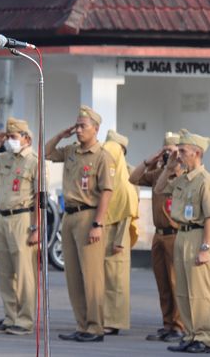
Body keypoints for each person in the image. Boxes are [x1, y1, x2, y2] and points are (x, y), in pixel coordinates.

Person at [45, 105, 114, 343]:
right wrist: (61, 135)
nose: (78, 130)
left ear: (96, 129)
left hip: (88, 216)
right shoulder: (71, 151)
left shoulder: (103, 156)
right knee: (73, 275)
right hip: (70, 216)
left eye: (83, 126)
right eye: (76, 125)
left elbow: (106, 192)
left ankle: (95, 327)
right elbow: (45, 152)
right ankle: (82, 325)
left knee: (92, 276)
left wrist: (98, 223)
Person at [0, 117, 39, 336]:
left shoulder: (34, 161)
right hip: (2, 217)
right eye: (8, 137)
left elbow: (40, 199)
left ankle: (25, 319)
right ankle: (10, 316)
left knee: (24, 273)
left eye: (14, 137)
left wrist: (37, 228)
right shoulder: (4, 158)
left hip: (24, 218)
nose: (10, 140)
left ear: (26, 138)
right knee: (5, 272)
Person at [157, 129, 210, 353]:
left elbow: (209, 216)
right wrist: (169, 165)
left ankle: (204, 336)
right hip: (182, 235)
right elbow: (160, 189)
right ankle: (190, 334)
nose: (179, 154)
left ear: (197, 153)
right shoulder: (182, 179)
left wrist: (206, 247)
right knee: (183, 290)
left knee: (199, 291)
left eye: (183, 151)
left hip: (198, 234)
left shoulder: (204, 181)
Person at [129, 131, 185, 342]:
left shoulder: (183, 175)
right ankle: (167, 324)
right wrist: (150, 160)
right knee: (162, 283)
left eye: (171, 151)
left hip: (175, 234)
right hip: (158, 235)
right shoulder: (159, 173)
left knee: (174, 282)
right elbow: (133, 177)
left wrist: (172, 164)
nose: (167, 156)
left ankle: (179, 326)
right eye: (165, 151)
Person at [101, 129, 139, 335]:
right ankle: (103, 318)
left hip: (118, 233)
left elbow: (128, 211)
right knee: (104, 279)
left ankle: (114, 321)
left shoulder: (128, 176)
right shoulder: (105, 172)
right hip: (102, 230)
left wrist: (120, 240)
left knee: (116, 280)